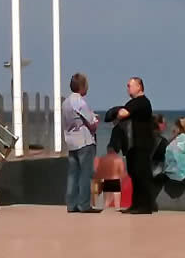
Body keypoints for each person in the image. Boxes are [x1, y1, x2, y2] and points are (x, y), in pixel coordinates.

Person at [107, 77, 157, 214]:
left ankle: (145, 205)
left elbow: (123, 113)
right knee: (134, 174)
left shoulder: (142, 102)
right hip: (132, 145)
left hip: (142, 143)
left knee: (142, 174)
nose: (128, 88)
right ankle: (136, 204)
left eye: (130, 85)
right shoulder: (132, 103)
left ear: (139, 87)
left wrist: (116, 112)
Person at [62, 73, 99, 213]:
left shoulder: (65, 103)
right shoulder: (80, 102)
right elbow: (91, 123)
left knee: (73, 174)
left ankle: (71, 204)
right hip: (84, 141)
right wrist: (96, 120)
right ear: (82, 87)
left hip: (71, 141)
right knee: (85, 174)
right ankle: (84, 204)